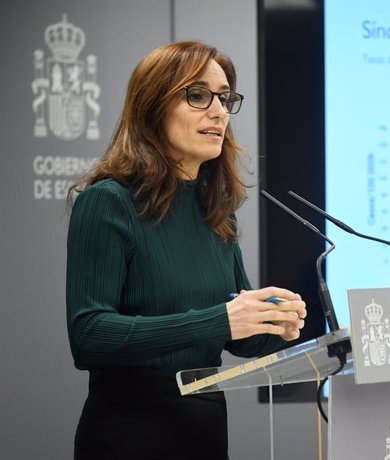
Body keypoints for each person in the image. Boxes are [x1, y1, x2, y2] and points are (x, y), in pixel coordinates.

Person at [66, 41, 307, 460]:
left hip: (206, 432)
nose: (218, 112)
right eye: (198, 96)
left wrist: (272, 325)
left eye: (225, 98)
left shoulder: (215, 212)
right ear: (152, 106)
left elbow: (235, 337)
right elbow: (90, 336)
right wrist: (222, 319)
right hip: (131, 433)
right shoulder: (109, 201)